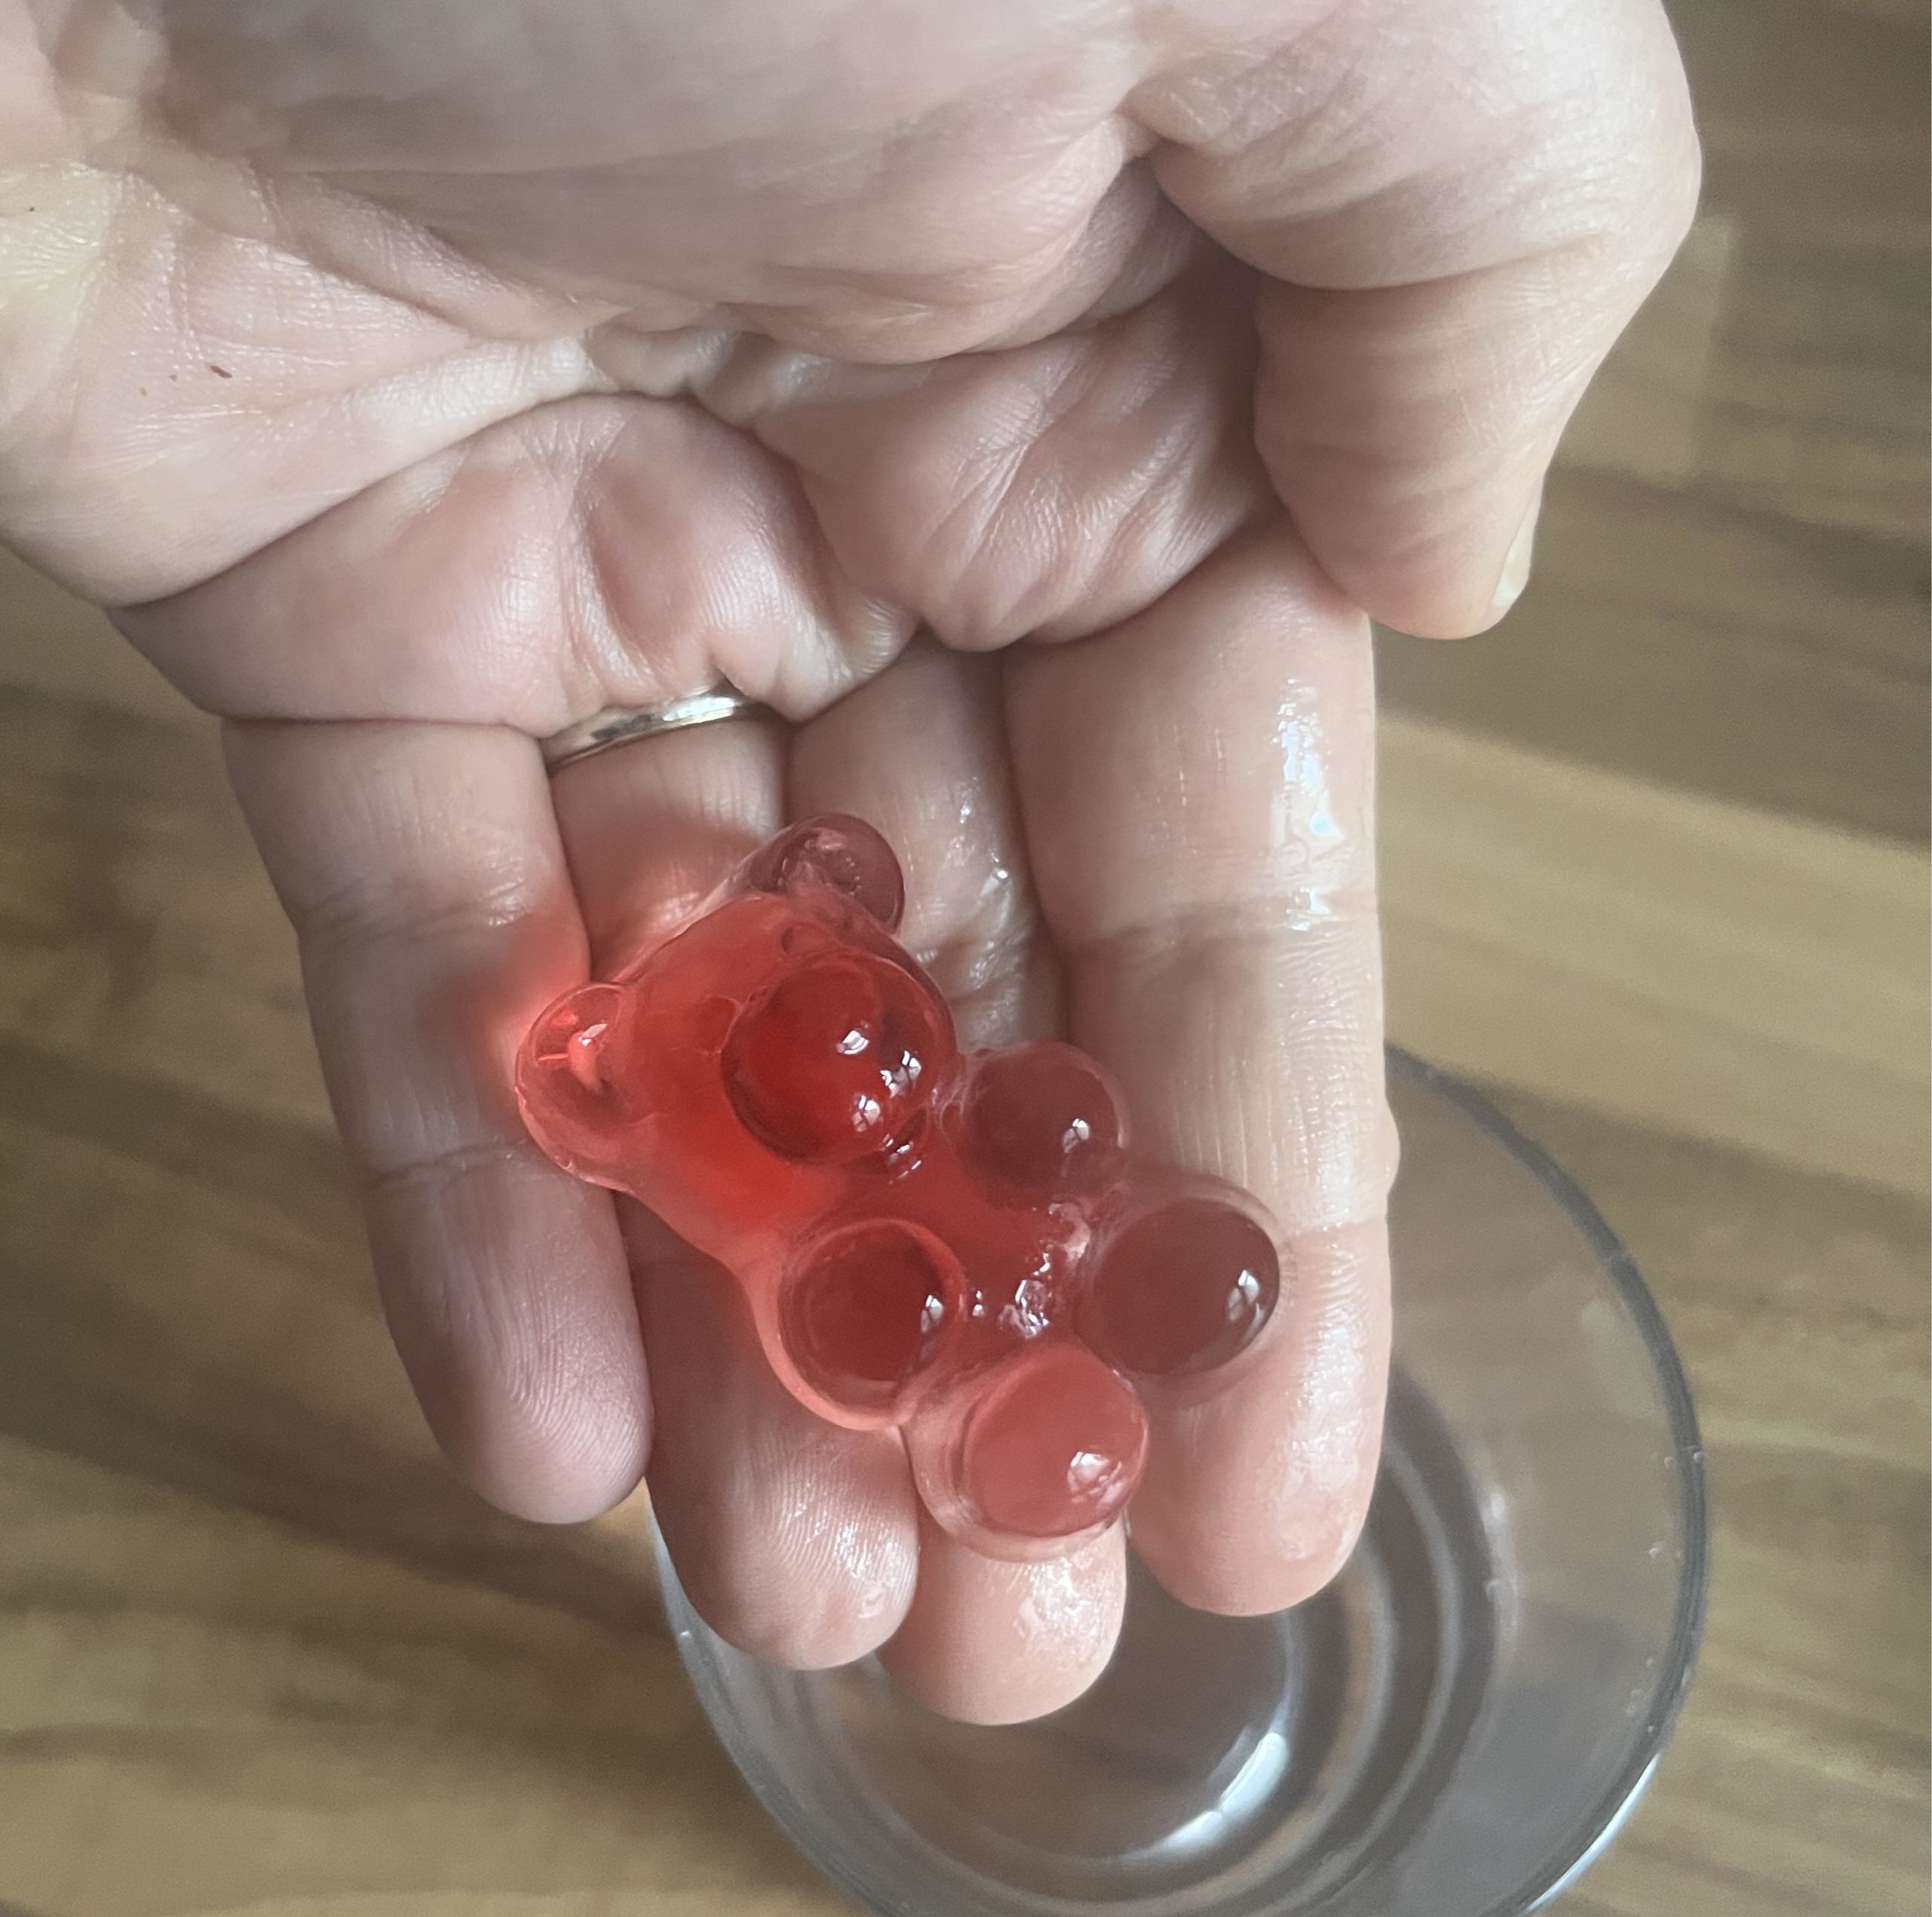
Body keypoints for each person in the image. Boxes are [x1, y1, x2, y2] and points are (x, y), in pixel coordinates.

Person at [0, 0, 1697, 1722]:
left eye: (824, 975)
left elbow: (1015, 1097)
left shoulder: (896, 1039)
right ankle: (995, 1385)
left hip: (987, 1199)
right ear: (592, 1090)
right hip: (885, 1282)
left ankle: (1066, 1320)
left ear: (841, 902)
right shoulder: (674, 1114)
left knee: (1047, 1196)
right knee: (866, 1309)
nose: (841, 1041)